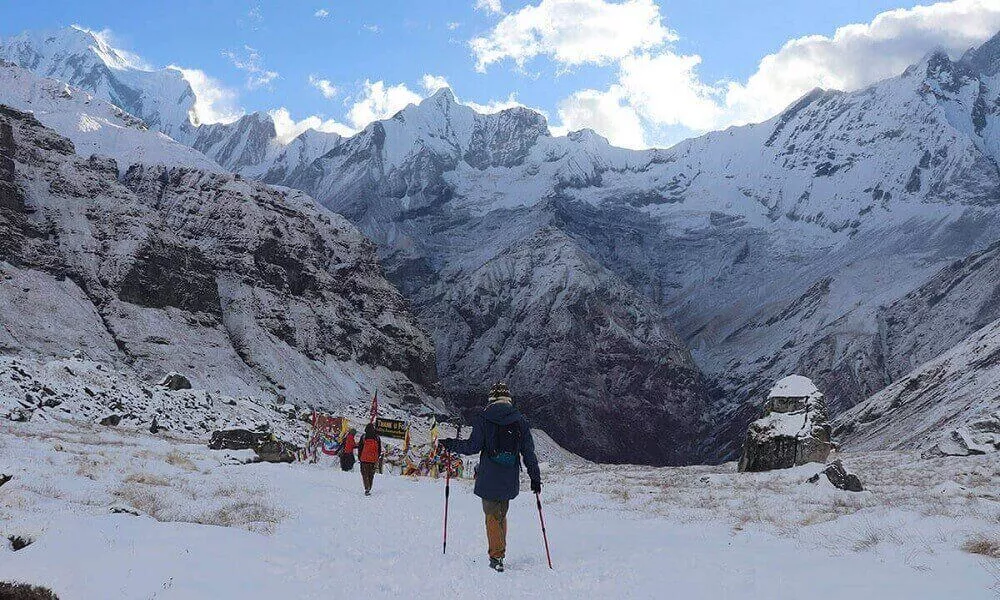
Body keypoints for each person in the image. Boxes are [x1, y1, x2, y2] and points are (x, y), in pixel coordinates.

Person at [439, 382, 541, 573]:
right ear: (508, 398)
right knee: (501, 514)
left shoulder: (484, 418)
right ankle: (500, 552)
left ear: (491, 399)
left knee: (492, 516)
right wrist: (535, 477)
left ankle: (496, 557)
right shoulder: (520, 421)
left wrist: (451, 444)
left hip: (489, 475)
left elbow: (472, 447)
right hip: (509, 477)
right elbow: (528, 452)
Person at [357, 423, 382, 496]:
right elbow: (379, 449)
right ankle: (369, 487)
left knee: (365, 474)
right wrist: (377, 457)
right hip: (373, 459)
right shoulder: (377, 437)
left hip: (364, 459)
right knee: (371, 474)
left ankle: (367, 488)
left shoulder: (364, 437)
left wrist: (360, 457)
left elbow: (360, 448)